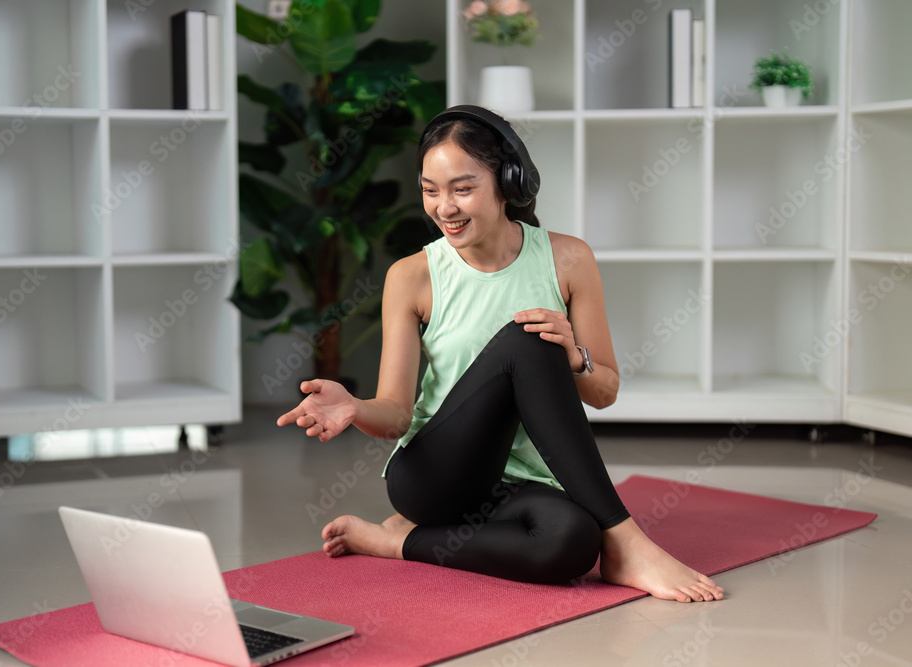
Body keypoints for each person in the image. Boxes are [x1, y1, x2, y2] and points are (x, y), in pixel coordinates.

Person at [276, 106, 724, 603]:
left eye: (462, 189)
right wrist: (356, 407)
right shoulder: (413, 275)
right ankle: (628, 540)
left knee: (571, 542)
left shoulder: (569, 259)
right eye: (431, 191)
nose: (445, 207)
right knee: (528, 336)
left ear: (508, 182)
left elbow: (605, 393)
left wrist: (575, 355)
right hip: (436, 477)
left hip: (518, 483)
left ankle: (397, 540)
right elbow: (396, 415)